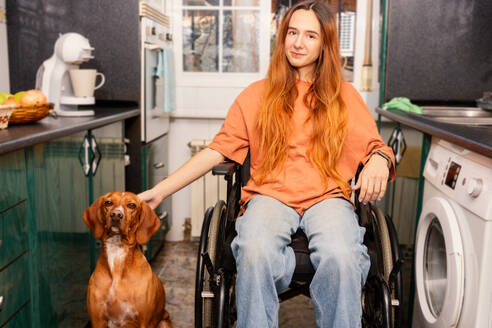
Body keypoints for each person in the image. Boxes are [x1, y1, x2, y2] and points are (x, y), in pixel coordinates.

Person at [139, 0, 395, 327]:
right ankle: (282, 272)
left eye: (311, 36)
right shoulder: (257, 95)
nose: (298, 42)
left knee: (343, 258)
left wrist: (379, 161)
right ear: (282, 37)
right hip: (270, 196)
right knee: (255, 251)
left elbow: (378, 147)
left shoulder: (345, 96)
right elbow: (217, 150)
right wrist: (161, 191)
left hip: (329, 198)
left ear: (325, 44)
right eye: (292, 32)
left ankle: (293, 272)